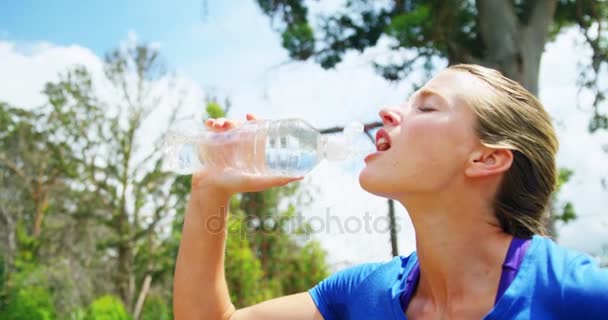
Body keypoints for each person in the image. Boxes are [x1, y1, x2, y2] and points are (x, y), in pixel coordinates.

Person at [173, 64, 608, 319]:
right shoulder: (363, 294)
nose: (387, 112)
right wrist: (209, 191)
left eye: (427, 106)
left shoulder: (574, 294)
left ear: (486, 159)